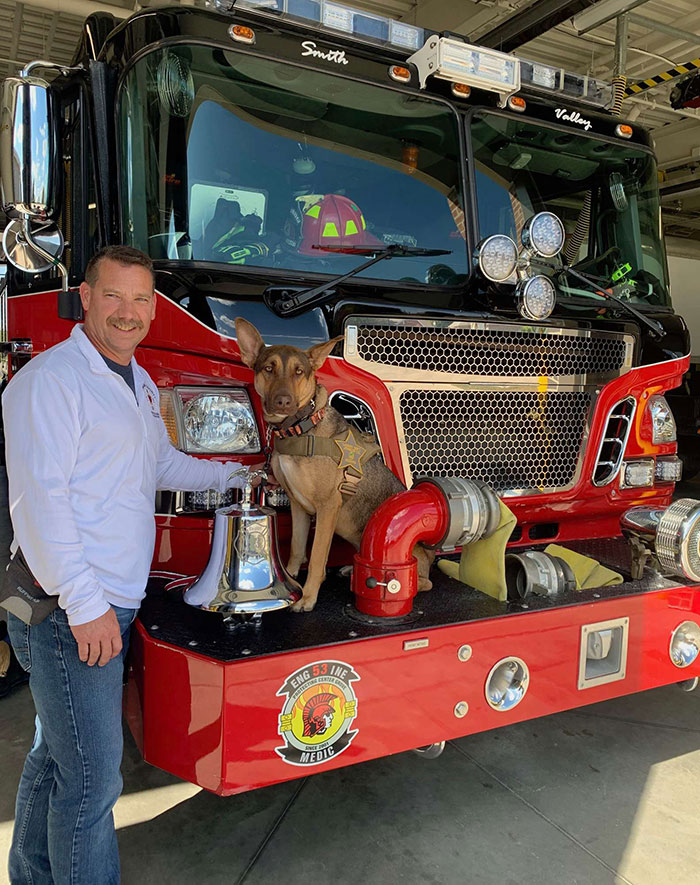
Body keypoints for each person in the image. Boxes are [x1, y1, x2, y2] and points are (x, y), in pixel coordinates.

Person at [2, 245, 256, 885]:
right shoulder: (52, 381)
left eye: (141, 299)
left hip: (108, 600)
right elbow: (40, 503)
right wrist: (86, 606)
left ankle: (31, 875)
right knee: (92, 781)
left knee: (56, 758)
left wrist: (237, 475)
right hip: (70, 608)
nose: (128, 312)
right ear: (85, 297)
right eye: (113, 296)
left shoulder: (136, 379)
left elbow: (160, 463)